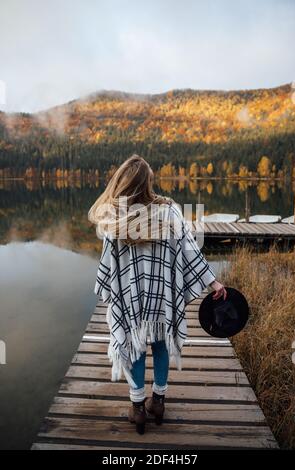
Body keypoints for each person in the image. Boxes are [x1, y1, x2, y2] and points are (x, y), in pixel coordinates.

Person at [88, 154, 226, 434]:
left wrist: (110, 292)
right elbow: (190, 251)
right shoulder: (170, 211)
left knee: (135, 347)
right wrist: (214, 283)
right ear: (148, 182)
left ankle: (138, 408)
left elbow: (107, 266)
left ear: (124, 183)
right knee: (161, 346)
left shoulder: (116, 218)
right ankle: (158, 402)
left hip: (131, 300)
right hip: (163, 299)